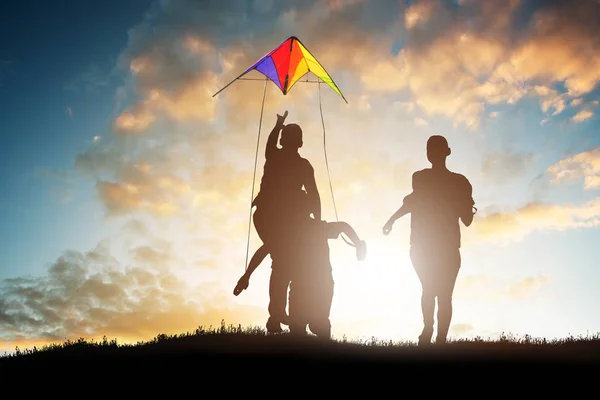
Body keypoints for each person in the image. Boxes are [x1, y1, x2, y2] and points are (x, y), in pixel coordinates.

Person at [382, 135, 476, 346]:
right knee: (434, 292)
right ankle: (431, 331)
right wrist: (391, 220)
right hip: (425, 246)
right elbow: (413, 203)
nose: (430, 153)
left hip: (440, 246)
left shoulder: (456, 182)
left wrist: (465, 203)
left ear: (444, 152)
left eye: (433, 149)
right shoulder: (431, 179)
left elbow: (467, 219)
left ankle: (436, 336)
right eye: (429, 149)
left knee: (438, 294)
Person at [234, 217, 367, 339]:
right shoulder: (315, 227)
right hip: (317, 284)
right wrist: (358, 243)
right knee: (315, 325)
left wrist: (247, 276)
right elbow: (343, 226)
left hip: (309, 284)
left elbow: (263, 251)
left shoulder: (289, 231)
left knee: (308, 327)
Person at [250, 111, 321, 332]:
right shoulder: (287, 159)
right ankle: (279, 317)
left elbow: (314, 195)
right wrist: (316, 222)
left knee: (283, 263)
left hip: (279, 218)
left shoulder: (281, 157)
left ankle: (278, 318)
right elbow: (314, 195)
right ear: (300, 142)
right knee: (283, 263)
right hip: (273, 218)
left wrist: (279, 124)